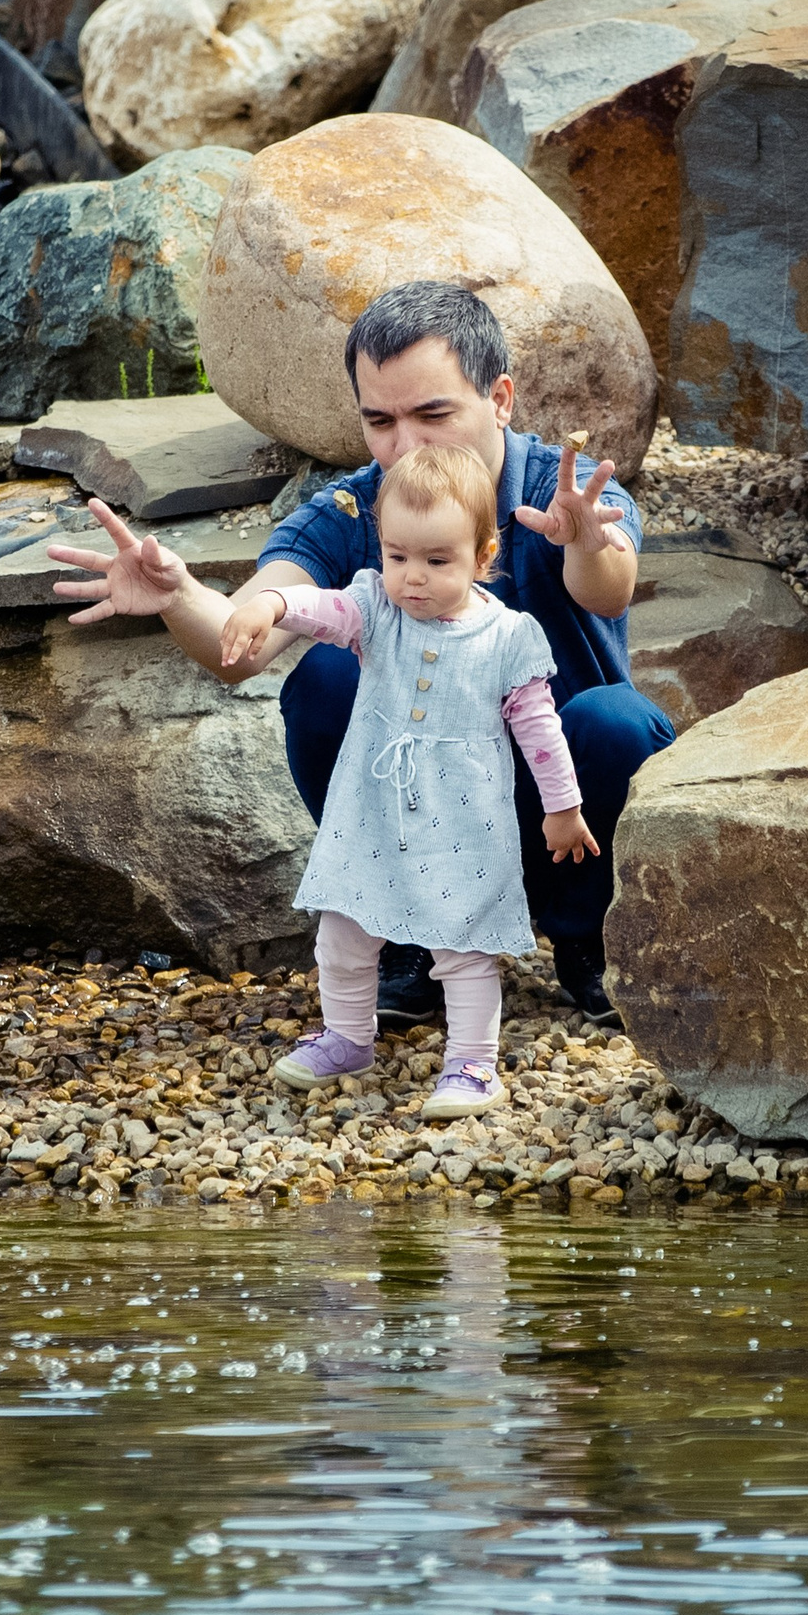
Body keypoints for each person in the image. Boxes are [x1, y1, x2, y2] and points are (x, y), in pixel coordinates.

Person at [46, 280, 676, 1024]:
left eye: (432, 414)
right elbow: (241, 643)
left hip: (565, 798)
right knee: (323, 678)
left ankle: (592, 941)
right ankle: (410, 937)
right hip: (428, 806)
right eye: (380, 421)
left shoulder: (564, 489)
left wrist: (583, 541)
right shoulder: (356, 508)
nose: (404, 446)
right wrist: (177, 595)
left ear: (500, 397)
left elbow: (607, 589)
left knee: (615, 721)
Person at [213, 444, 593, 1118]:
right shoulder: (376, 610)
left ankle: (473, 1062)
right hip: (374, 816)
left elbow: (539, 727)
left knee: (464, 948)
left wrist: (562, 805)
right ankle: (348, 1037)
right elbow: (319, 607)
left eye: (437, 561)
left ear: (482, 556)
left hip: (464, 823)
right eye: (397, 556)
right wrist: (271, 601)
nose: (413, 577)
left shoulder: (506, 637)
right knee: (343, 934)